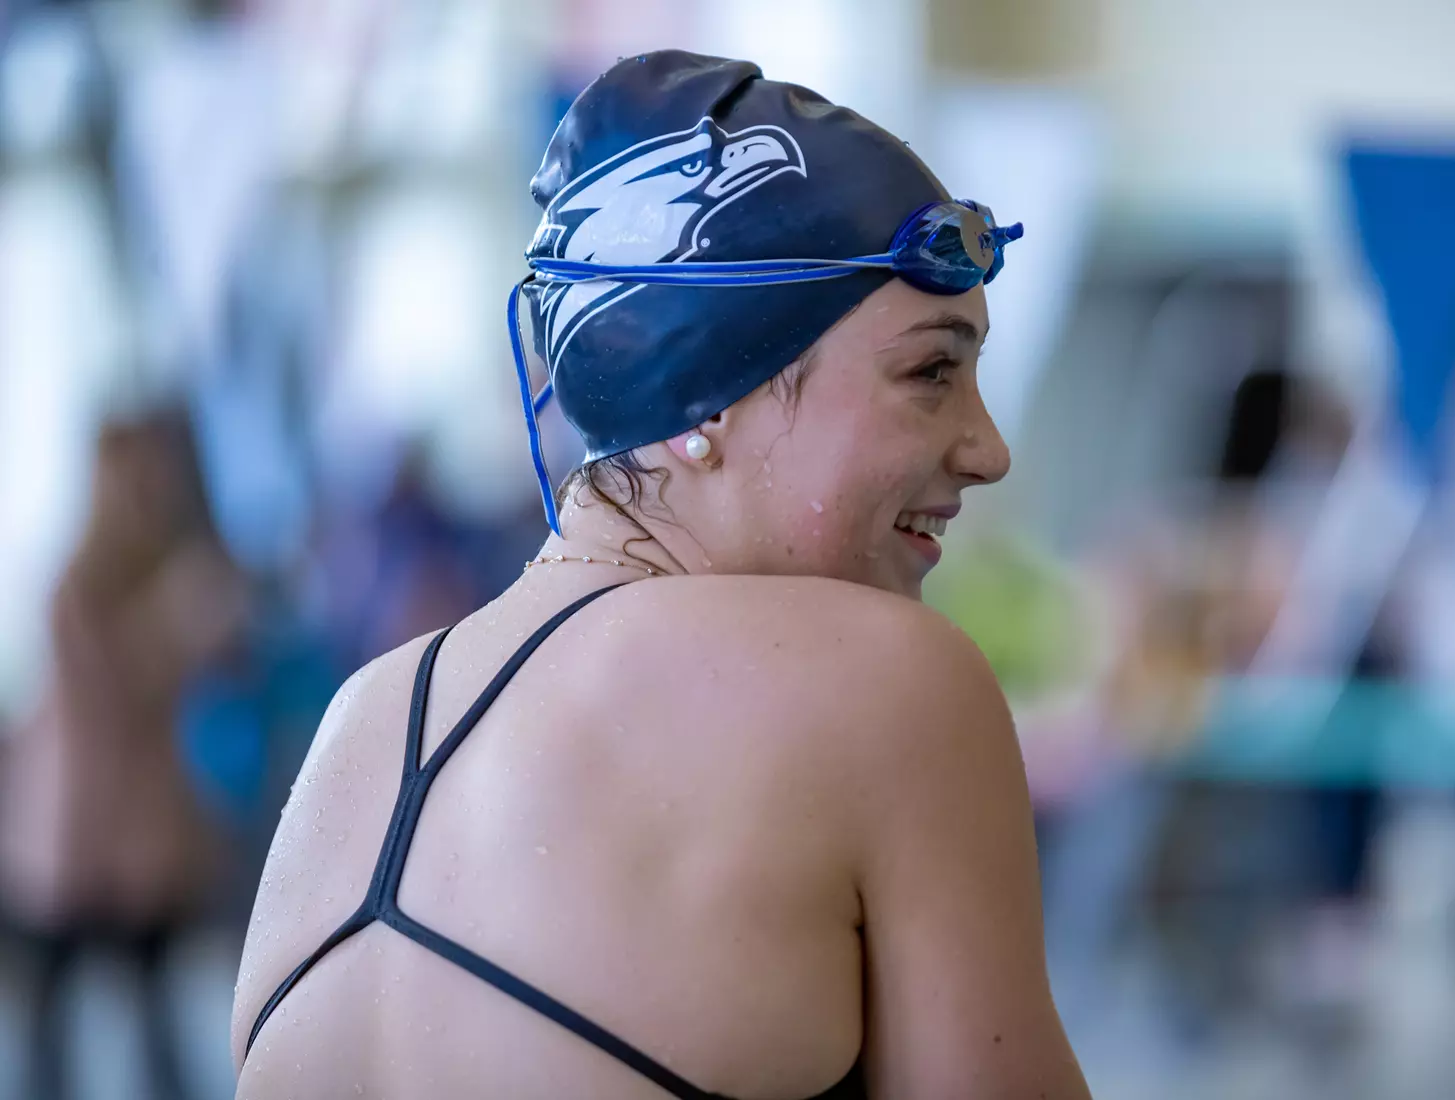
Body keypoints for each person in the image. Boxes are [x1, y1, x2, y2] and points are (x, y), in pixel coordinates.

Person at [231, 51, 1090, 1099]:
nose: (987, 449)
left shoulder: (363, 725)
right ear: (709, 394)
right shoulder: (890, 685)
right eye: (931, 372)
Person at [1, 408, 247, 1100]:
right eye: (135, 472)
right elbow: (104, 702)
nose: (149, 487)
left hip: (144, 840)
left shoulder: (171, 565)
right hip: (70, 840)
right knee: (50, 1028)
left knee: (155, 1020)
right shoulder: (75, 584)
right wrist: (175, 626)